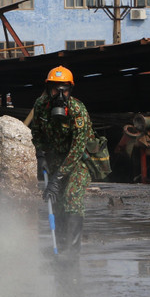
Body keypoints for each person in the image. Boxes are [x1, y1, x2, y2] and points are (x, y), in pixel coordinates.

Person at [30, 66, 92, 255]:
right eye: (56, 89)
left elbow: (77, 149)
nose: (60, 94)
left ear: (70, 89)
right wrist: (40, 156)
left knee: (71, 199)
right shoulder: (41, 105)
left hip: (77, 162)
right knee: (56, 203)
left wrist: (57, 179)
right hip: (55, 160)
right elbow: (37, 133)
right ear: (49, 89)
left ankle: (71, 254)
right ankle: (61, 247)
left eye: (64, 89)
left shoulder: (77, 110)